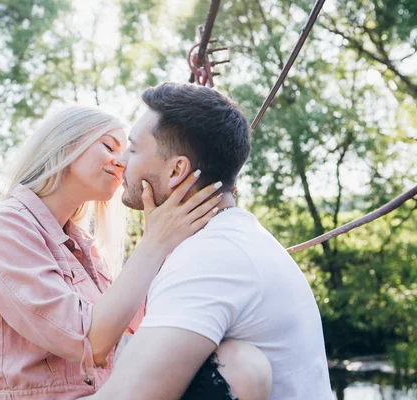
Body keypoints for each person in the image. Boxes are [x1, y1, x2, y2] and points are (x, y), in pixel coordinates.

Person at [0, 105, 226, 400]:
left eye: (128, 153)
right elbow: (89, 341)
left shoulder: (80, 243)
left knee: (237, 362)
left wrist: (176, 237)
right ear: (65, 145)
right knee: (236, 374)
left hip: (101, 393)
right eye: (109, 146)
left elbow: (141, 319)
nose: (122, 161)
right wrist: (155, 241)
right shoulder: (1, 228)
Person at [84, 82, 331, 400]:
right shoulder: (238, 237)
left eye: (133, 148)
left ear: (176, 170)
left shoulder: (210, 257)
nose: (121, 161)